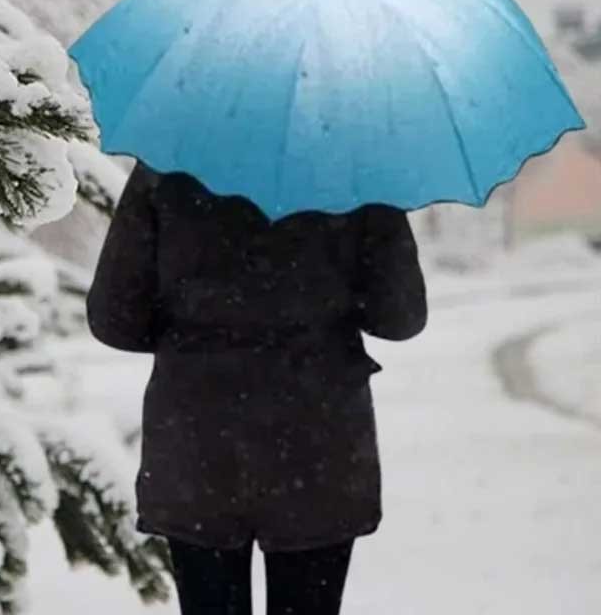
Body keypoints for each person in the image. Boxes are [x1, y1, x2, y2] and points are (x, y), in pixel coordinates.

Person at [87, 163, 428, 615]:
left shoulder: (169, 160)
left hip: (199, 446)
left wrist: (196, 333)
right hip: (317, 446)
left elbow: (114, 318)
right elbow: (400, 317)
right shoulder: (352, 163)